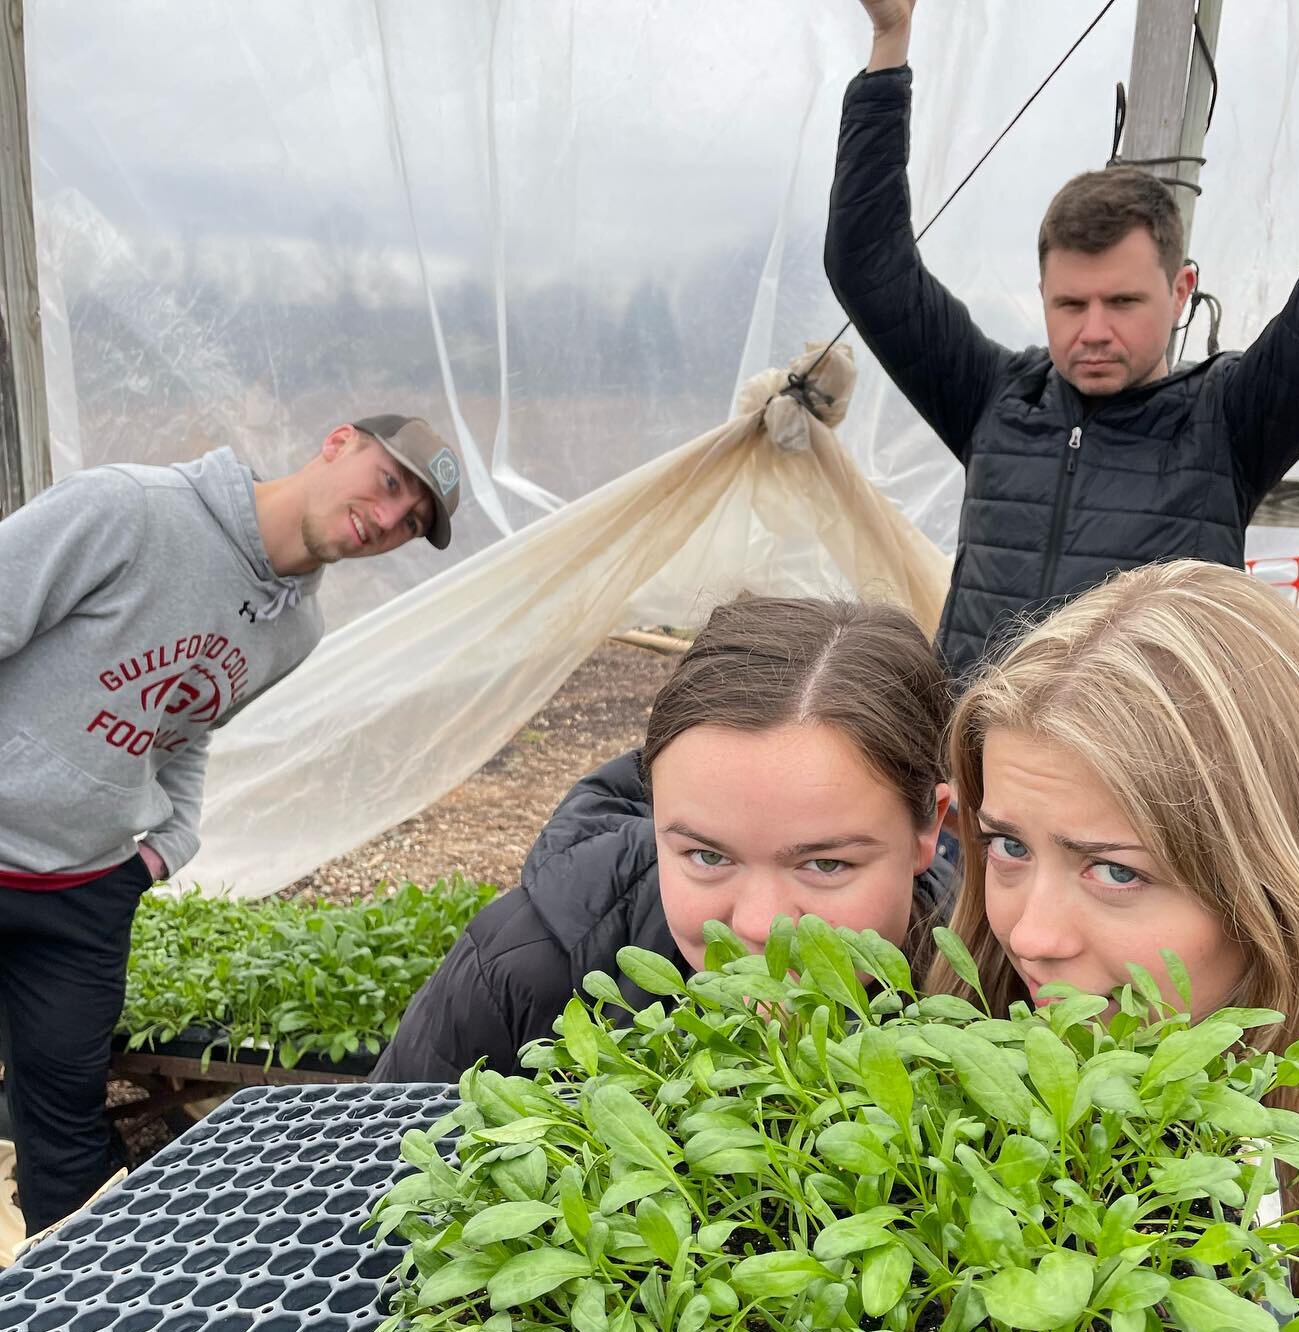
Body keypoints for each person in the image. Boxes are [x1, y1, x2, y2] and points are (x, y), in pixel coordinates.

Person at [933, 558, 1299, 1332]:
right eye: (1008, 844)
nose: (1031, 933)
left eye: (1116, 869)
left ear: (1273, 880)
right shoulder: (979, 1010)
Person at [827, 0, 1299, 682]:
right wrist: (889, 37)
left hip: (1139, 786)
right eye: (1070, 304)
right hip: (976, 780)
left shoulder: (1229, 422)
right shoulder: (994, 399)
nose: (1094, 331)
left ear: (1180, 290)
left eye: (1124, 301)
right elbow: (867, 263)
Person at [0, 413, 464, 1233]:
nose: (389, 520)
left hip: (83, 897)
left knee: (65, 1138)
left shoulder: (297, 628)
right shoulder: (131, 512)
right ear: (338, 440)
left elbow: (187, 722)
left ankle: (58, 1330)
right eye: (390, 482)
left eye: (413, 521)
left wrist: (166, 845)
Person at [372, 595, 955, 1083]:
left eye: (826, 864)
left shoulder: (991, 977)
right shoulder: (528, 965)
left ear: (928, 827)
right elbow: (379, 1182)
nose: (756, 925)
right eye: (706, 856)